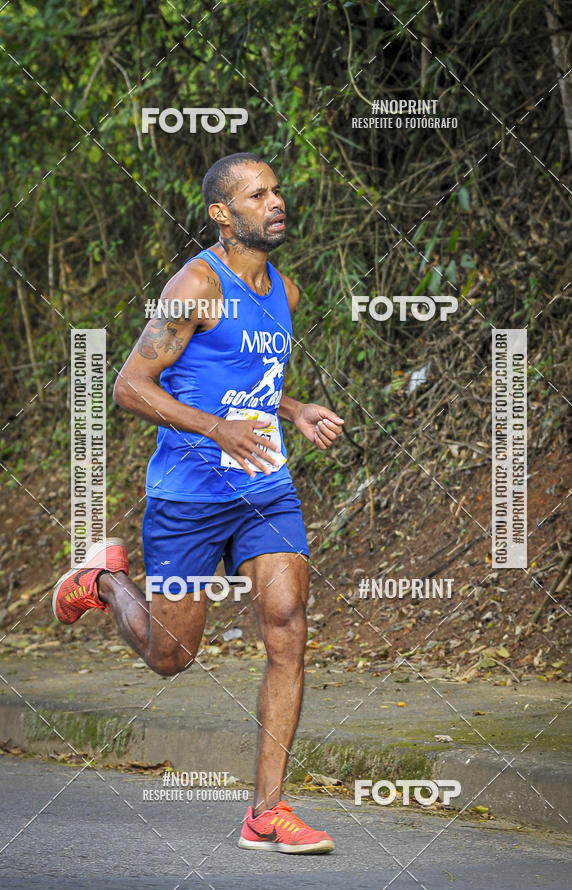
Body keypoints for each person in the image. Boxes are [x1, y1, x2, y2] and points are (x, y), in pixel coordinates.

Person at [53, 152, 344, 854]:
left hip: (263, 485)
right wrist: (217, 428)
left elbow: (244, 378)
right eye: (257, 194)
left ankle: (266, 811)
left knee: (287, 623)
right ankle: (104, 580)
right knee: (170, 653)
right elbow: (128, 385)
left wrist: (296, 407)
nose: (275, 201)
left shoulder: (286, 292)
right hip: (188, 495)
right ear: (222, 213)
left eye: (276, 190)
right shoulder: (194, 285)